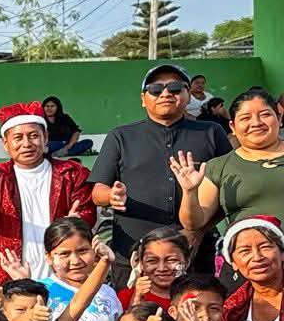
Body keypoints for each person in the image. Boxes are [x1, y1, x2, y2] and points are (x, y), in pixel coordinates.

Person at [89, 61, 229, 269]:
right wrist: (112, 196)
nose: (165, 94)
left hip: (196, 252)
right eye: (155, 89)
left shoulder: (211, 132)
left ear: (188, 95)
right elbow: (97, 192)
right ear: (143, 99)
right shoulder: (121, 137)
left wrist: (196, 232)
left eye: (175, 88)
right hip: (133, 255)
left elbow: (228, 193)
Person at [0, 102, 95, 285]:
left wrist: (78, 221)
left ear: (45, 137)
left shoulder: (72, 173)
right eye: (18, 137)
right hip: (10, 273)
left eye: (33, 136)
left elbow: (86, 211)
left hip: (65, 271)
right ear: (5, 143)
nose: (26, 144)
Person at [175, 86, 284, 242]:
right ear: (232, 127)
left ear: (279, 119)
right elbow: (193, 223)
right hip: (249, 254)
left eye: (265, 115)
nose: (256, 123)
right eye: (245, 118)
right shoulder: (219, 166)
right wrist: (190, 192)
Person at [218, 216, 284, 321]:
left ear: (282, 253)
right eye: (245, 251)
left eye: (265, 247)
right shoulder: (231, 309)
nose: (257, 257)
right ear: (233, 262)